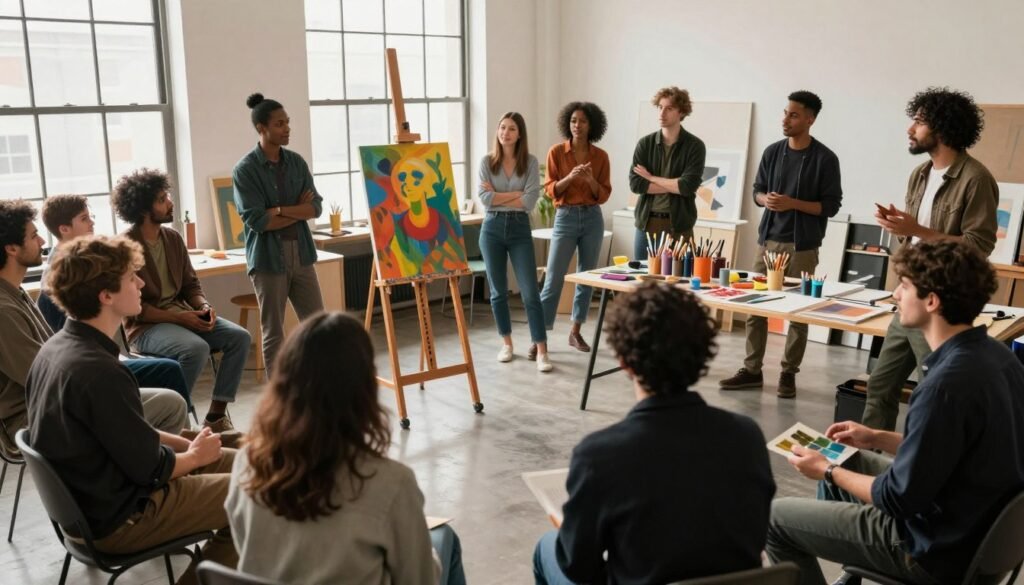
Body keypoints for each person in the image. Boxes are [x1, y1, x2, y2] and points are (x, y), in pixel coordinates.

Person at [766, 240, 1024, 585]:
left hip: (930, 547)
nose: (895, 296)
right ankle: (852, 571)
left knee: (774, 519)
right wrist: (876, 437)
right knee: (851, 457)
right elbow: (954, 451)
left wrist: (826, 471)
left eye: (903, 286)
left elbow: (898, 498)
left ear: (932, 300)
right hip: (979, 534)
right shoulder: (999, 357)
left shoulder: (941, 387)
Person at [25, 235, 237, 585]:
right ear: (105, 296)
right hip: (121, 518)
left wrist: (191, 446)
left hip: (94, 503)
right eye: (131, 278)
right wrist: (196, 457)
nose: (141, 283)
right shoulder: (99, 371)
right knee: (256, 497)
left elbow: (127, 434)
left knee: (239, 454)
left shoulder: (57, 349)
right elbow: (151, 469)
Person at [533, 282, 775, 584]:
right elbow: (756, 539)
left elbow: (579, 568)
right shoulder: (747, 437)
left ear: (624, 362)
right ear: (701, 355)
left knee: (546, 548)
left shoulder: (598, 456)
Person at [226, 312, 466, 585]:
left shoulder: (247, 462)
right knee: (445, 538)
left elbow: (244, 549)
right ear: (364, 391)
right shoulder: (391, 482)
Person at [0, 201, 186, 458]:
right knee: (168, 403)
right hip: (39, 414)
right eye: (34, 236)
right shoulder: (3, 309)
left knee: (166, 400)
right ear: (11, 248)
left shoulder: (15, 292)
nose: (43, 240)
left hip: (58, 400)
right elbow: (41, 373)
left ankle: (157, 470)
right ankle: (150, 479)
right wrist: (100, 386)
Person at [861, 87, 998, 430]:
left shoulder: (975, 179)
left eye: (919, 122)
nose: (910, 129)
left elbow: (978, 245)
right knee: (880, 384)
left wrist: (919, 229)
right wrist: (902, 227)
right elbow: (920, 236)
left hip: (939, 304)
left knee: (935, 390)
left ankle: (922, 466)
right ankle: (874, 460)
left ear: (943, 127)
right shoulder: (920, 174)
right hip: (909, 296)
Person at [720, 91, 843, 398]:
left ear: (810, 119)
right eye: (785, 113)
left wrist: (792, 203)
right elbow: (757, 192)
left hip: (802, 246)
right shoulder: (773, 152)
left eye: (794, 115)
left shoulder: (825, 159)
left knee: (799, 311)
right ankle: (751, 370)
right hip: (768, 241)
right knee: (755, 306)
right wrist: (767, 200)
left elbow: (830, 206)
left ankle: (788, 374)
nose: (785, 119)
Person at [113, 168, 252, 432]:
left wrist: (202, 306)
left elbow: (191, 284)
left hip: (182, 315)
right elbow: (136, 311)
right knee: (195, 348)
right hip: (146, 327)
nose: (170, 203)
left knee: (239, 337)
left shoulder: (173, 239)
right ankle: (173, 418)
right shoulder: (124, 246)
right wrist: (180, 317)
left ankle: (216, 416)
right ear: (143, 208)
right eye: (162, 199)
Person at [38, 194, 193, 411]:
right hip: (89, 363)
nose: (92, 222)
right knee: (170, 373)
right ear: (64, 229)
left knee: (169, 371)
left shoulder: (83, 261)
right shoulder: (63, 275)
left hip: (104, 354)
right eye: (84, 218)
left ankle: (188, 429)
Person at [233, 93, 324, 376]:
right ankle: (279, 396)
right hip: (267, 259)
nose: (287, 129)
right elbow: (258, 222)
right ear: (262, 128)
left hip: (302, 253)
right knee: (273, 329)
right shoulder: (245, 170)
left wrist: (280, 209)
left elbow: (315, 208)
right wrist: (297, 210)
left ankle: (321, 383)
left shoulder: (296, 162)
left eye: (287, 123)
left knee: (318, 325)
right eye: (279, 124)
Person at [478, 112, 552, 372]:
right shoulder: (487, 162)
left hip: (520, 229)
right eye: (502, 127)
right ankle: (506, 343)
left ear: (519, 134)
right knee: (498, 292)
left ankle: (541, 349)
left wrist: (499, 195)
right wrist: (514, 195)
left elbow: (530, 201)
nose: (505, 133)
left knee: (530, 292)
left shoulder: (530, 162)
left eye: (511, 129)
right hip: (492, 229)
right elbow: (485, 200)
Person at [539, 102, 612, 352]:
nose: (577, 125)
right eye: (572, 121)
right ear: (566, 124)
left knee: (586, 277)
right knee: (553, 278)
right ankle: (539, 339)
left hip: (592, 218)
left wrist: (590, 180)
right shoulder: (556, 152)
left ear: (591, 125)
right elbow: (550, 190)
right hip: (565, 217)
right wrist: (570, 177)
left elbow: (602, 195)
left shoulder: (600, 157)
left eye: (582, 121)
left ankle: (575, 332)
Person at [629, 86, 707, 261]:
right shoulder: (645, 144)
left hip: (678, 225)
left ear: (681, 112)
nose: (662, 113)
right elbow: (636, 184)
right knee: (643, 280)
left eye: (669, 108)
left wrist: (651, 178)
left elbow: (687, 187)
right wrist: (674, 185)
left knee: (677, 281)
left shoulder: (695, 146)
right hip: (646, 224)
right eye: (660, 107)